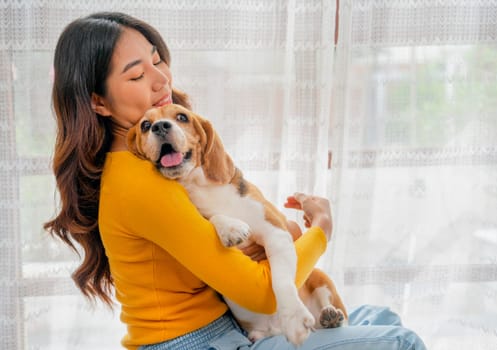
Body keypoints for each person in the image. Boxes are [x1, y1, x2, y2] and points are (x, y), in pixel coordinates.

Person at [44, 12, 427, 350]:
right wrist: (321, 231)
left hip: (224, 329)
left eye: (158, 61)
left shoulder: (148, 164)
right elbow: (260, 294)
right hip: (197, 343)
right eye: (138, 74)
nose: (161, 80)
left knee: (383, 319)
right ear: (99, 102)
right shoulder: (142, 182)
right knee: (401, 342)